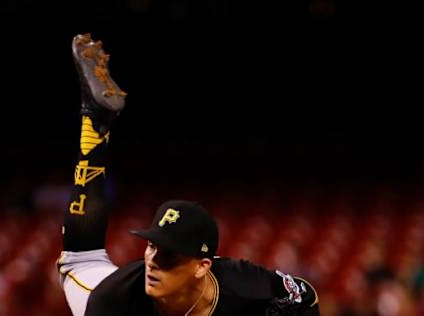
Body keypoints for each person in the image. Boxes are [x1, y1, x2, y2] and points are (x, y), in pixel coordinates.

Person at [57, 33, 320, 316]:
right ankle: (94, 119)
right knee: (80, 259)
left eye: (169, 255)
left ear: (203, 266)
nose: (153, 262)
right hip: (110, 295)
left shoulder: (244, 283)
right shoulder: (114, 301)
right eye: (151, 247)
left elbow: (306, 297)